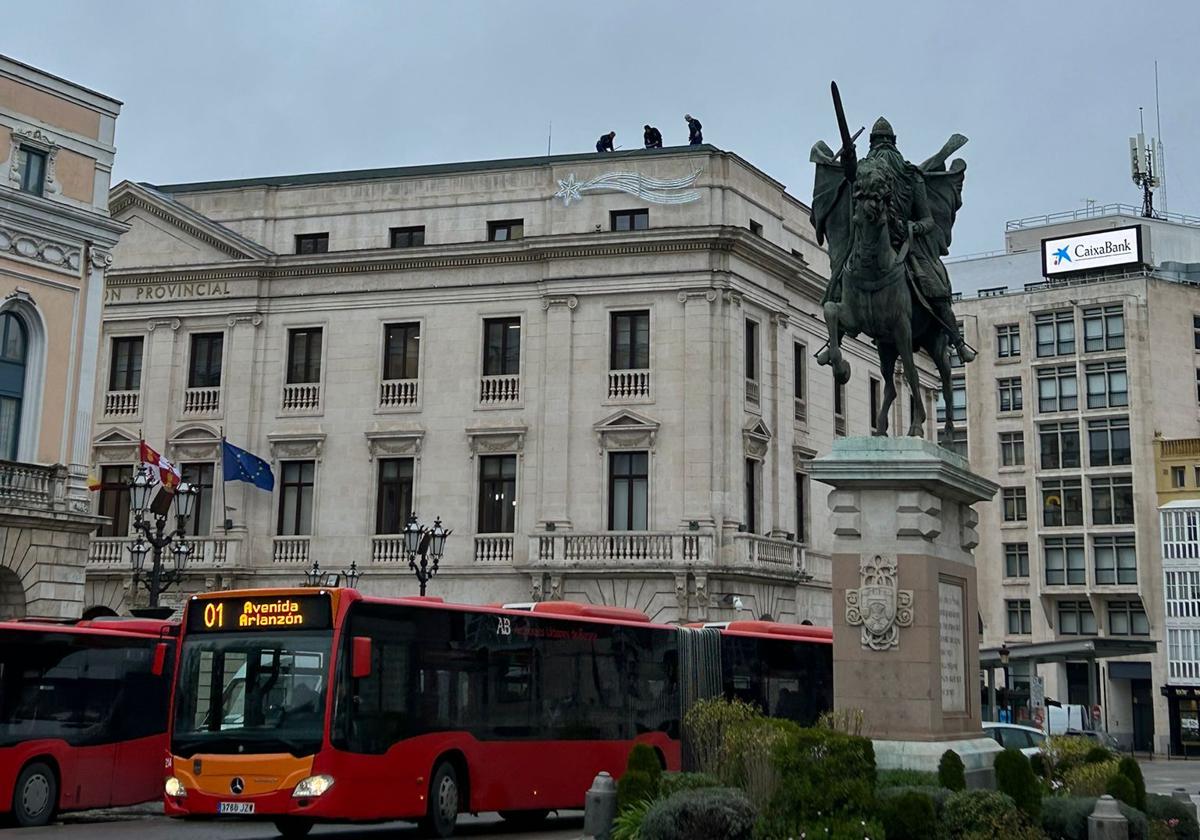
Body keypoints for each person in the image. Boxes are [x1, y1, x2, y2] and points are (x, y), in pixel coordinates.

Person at [819, 116, 975, 364]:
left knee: (936, 286)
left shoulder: (912, 176)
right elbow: (849, 174)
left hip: (906, 244)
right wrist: (848, 158)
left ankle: (956, 341)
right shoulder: (864, 173)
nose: (882, 150)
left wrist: (911, 226)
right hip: (867, 239)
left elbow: (928, 220)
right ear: (871, 147)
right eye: (878, 144)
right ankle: (833, 341)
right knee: (837, 282)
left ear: (894, 146)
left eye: (885, 144)